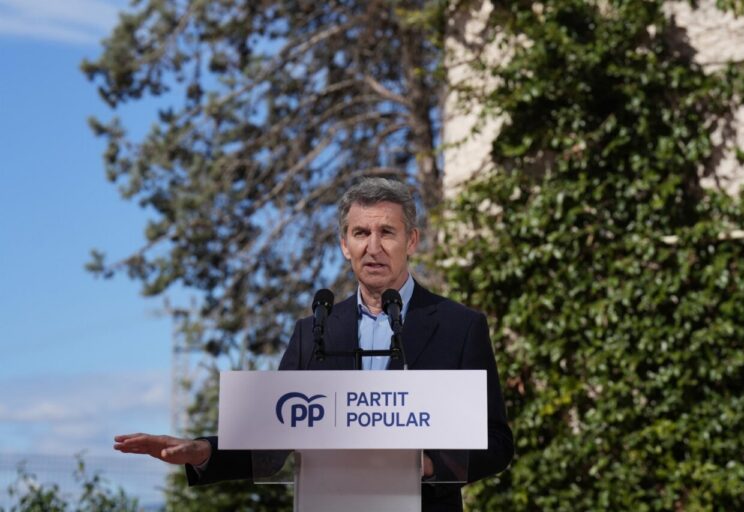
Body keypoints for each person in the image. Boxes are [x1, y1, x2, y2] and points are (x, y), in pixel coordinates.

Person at [115, 177, 514, 511]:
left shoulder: (460, 327)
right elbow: (275, 437)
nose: (372, 246)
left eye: (386, 232)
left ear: (411, 241)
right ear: (345, 245)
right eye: (361, 233)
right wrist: (203, 451)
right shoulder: (313, 332)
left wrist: (423, 464)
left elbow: (496, 443)